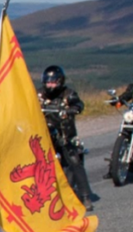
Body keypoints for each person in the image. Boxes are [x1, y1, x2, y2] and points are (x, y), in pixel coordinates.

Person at [37, 65, 94, 211]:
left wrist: (73, 109)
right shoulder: (38, 95)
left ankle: (86, 196)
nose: (50, 85)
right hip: (44, 135)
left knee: (74, 162)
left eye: (53, 82)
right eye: (48, 81)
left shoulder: (68, 94)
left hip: (65, 135)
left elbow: (79, 104)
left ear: (60, 81)